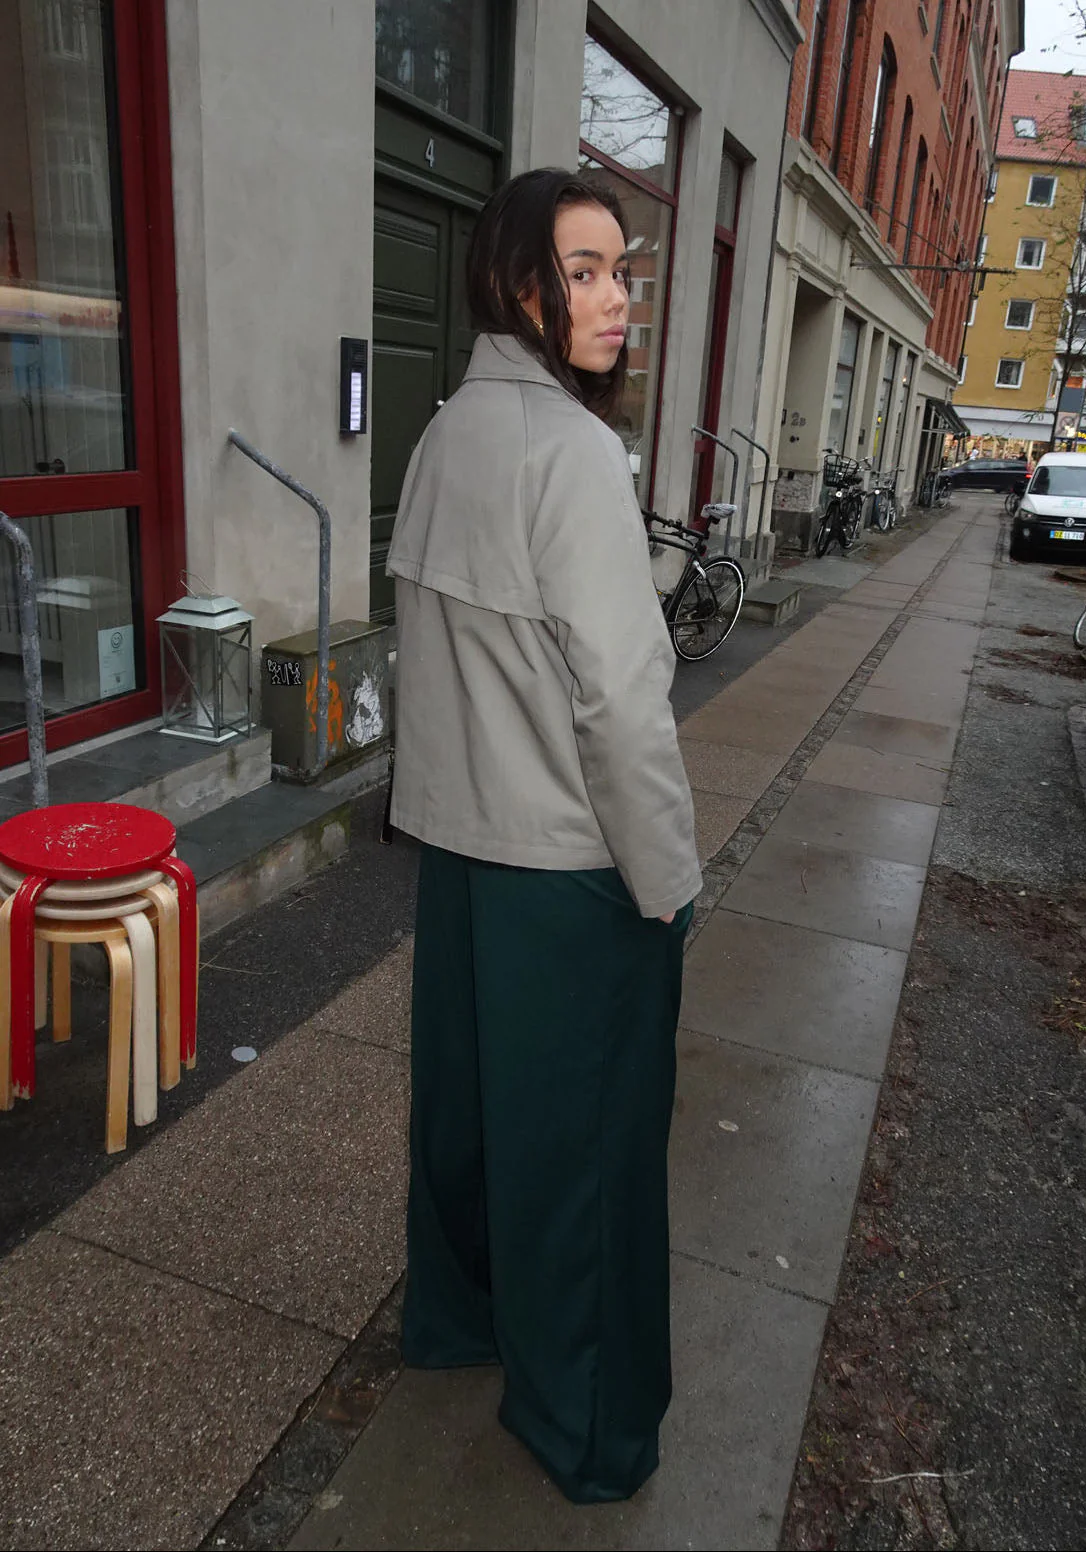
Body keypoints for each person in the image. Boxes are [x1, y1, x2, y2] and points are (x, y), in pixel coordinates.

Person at [386, 167, 702, 1504]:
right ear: (521, 287)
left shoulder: (445, 432)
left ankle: (458, 1323)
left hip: (462, 860)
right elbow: (621, 703)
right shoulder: (571, 452)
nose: (618, 296)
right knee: (589, 1160)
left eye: (621, 270)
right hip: (570, 872)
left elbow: (428, 655)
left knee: (471, 1123)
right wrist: (667, 882)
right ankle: (589, 1428)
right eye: (586, 272)